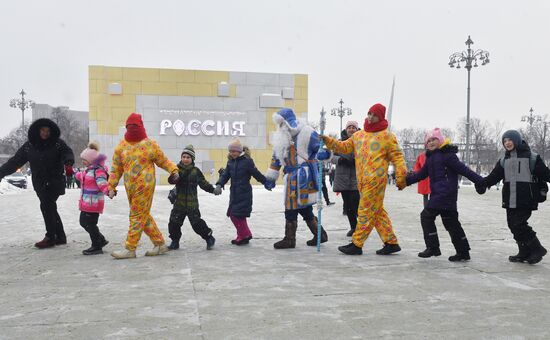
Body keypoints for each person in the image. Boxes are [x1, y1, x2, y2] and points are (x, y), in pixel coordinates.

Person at [322, 103, 406, 255]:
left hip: (376, 181)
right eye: (369, 113)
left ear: (380, 117)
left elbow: (398, 157)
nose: (370, 116)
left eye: (374, 114)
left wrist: (401, 176)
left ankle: (357, 243)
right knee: (377, 212)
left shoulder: (387, 137)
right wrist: (328, 141)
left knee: (365, 210)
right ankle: (391, 242)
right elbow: (343, 147)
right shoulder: (359, 135)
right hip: (362, 180)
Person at [399, 128, 483, 261]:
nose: (431, 143)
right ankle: (463, 251)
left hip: (444, 194)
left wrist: (480, 181)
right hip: (441, 195)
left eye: (434, 140)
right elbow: (421, 174)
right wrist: (406, 181)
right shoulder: (430, 158)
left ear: (441, 141)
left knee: (426, 216)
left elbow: (464, 170)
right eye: (429, 141)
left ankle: (433, 247)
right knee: (451, 223)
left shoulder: (448, 156)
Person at [108, 113, 179, 259]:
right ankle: (159, 244)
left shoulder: (149, 144)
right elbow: (116, 169)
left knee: (136, 215)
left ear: (141, 127)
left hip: (145, 185)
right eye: (129, 126)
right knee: (142, 216)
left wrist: (174, 170)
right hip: (130, 187)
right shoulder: (121, 147)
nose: (132, 128)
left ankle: (130, 248)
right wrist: (111, 186)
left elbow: (163, 160)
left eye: (135, 126)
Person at [476, 130, 549, 264]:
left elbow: (545, 174)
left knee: (519, 224)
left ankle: (537, 249)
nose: (507, 143)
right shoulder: (504, 160)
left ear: (516, 140)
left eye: (510, 140)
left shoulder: (532, 157)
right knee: (512, 225)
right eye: (504, 141)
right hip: (510, 198)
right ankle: (524, 251)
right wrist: (483, 184)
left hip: (526, 198)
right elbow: (494, 176)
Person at [0, 118, 74, 248]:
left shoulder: (57, 143)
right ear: (37, 131)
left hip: (55, 180)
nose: (45, 133)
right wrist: (1, 172)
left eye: (48, 130)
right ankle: (60, 236)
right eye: (42, 130)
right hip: (39, 182)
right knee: (50, 207)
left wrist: (68, 162)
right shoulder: (29, 146)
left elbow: (67, 152)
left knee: (46, 206)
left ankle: (50, 237)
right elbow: (15, 162)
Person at [264, 108, 328, 249]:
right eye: (279, 124)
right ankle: (319, 234)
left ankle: (290, 239)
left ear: (288, 122)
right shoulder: (281, 137)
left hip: (303, 176)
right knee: (304, 208)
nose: (280, 127)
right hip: (290, 177)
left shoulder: (307, 132)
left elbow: (321, 147)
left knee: (292, 207)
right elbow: (276, 159)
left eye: (282, 123)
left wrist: (324, 153)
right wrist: (271, 177)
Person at [215, 139, 268, 245]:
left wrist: (266, 182)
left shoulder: (247, 161)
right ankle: (242, 235)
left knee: (235, 215)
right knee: (238, 215)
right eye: (230, 151)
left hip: (244, 192)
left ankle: (245, 234)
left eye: (234, 151)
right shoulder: (230, 162)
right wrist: (219, 184)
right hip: (234, 193)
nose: (232, 153)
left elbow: (256, 173)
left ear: (240, 151)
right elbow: (225, 175)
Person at [167, 145, 218, 250]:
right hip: (179, 204)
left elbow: (203, 184)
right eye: (184, 157)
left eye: (188, 157)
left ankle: (209, 237)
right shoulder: (176, 169)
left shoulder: (196, 171)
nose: (185, 159)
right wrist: (174, 177)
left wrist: (213, 190)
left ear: (192, 159)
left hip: (192, 204)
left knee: (197, 224)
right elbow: (170, 181)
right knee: (174, 223)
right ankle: (175, 241)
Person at [74, 142, 110, 255]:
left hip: (93, 203)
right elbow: (82, 176)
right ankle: (101, 240)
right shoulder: (88, 170)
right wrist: (75, 175)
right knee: (83, 222)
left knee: (90, 224)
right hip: (86, 203)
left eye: (85, 159)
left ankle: (96, 246)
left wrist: (108, 191)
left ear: (91, 160)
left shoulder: (98, 170)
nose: (83, 161)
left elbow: (102, 183)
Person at [331, 121, 360, 237]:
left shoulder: (362, 141)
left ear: (357, 130)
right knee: (348, 205)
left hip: (356, 176)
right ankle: (353, 227)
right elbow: (331, 157)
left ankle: (361, 227)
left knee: (357, 203)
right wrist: (339, 160)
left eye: (354, 127)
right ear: (346, 129)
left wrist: (357, 160)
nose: (351, 129)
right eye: (349, 127)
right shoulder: (339, 142)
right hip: (342, 177)